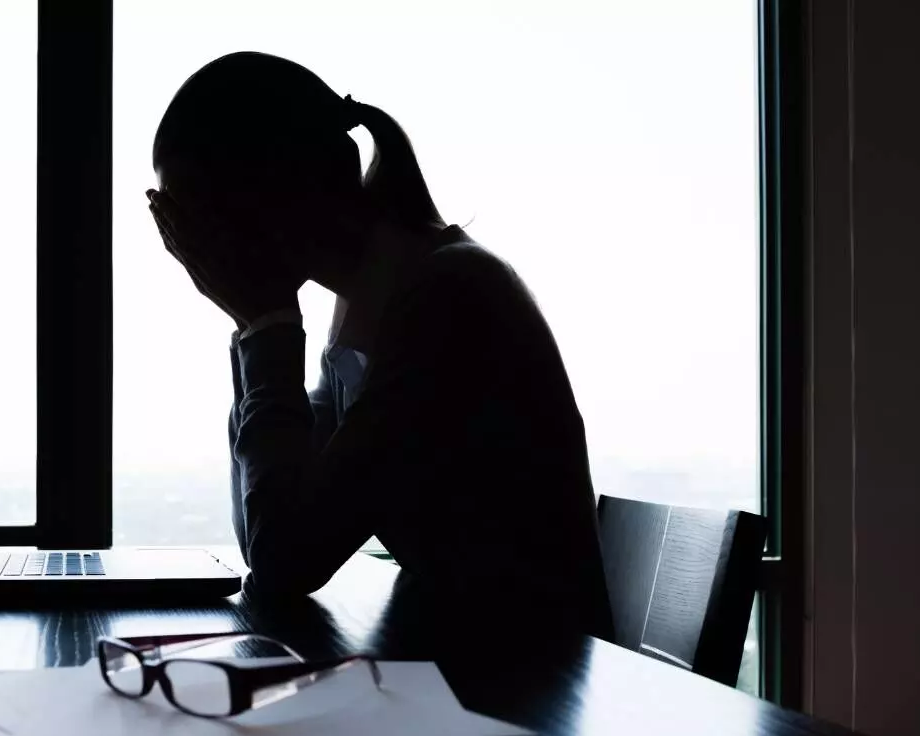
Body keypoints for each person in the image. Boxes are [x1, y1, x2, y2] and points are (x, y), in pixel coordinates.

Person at [147, 52, 613, 640]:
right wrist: (255, 330)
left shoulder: (448, 294)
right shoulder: (375, 297)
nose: (196, 253)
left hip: (531, 684)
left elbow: (287, 559)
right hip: (480, 662)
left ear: (268, 193)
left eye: (194, 220)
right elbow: (270, 535)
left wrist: (265, 326)